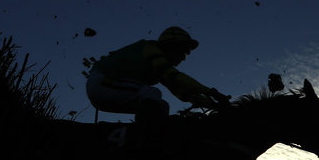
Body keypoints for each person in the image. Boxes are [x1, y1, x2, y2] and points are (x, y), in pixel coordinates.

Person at [86, 26, 230, 126]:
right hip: (101, 82)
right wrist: (211, 92)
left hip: (106, 87)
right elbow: (176, 77)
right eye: (183, 52)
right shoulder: (151, 50)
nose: (184, 58)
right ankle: (144, 136)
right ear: (171, 46)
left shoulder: (157, 65)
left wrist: (213, 105)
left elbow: (181, 91)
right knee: (152, 94)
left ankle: (146, 132)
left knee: (161, 106)